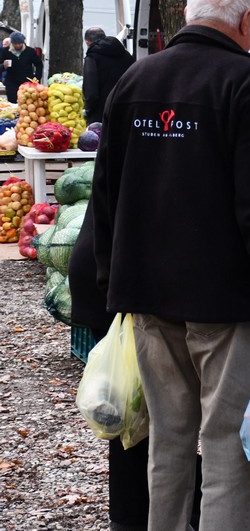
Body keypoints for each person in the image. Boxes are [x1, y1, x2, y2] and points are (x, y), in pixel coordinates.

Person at [91, 0, 250, 531]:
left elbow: (106, 194)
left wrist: (111, 279)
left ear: (186, 16)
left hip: (147, 297)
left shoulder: (134, 83)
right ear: (246, 21)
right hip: (227, 303)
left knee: (167, 440)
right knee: (231, 445)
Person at [69, 203, 203, 531]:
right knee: (143, 405)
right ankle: (147, 513)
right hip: (124, 274)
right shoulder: (167, 151)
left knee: (131, 404)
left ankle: (133, 514)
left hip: (108, 267)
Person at [82, 26, 135, 125]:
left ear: (88, 42)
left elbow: (91, 92)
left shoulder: (92, 58)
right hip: (125, 111)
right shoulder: (126, 56)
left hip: (100, 115)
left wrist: (88, 110)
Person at [0, 31, 43, 103]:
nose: (17, 45)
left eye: (19, 43)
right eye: (15, 44)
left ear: (23, 42)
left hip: (27, 82)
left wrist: (37, 77)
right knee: (12, 102)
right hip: (11, 83)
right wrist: (3, 66)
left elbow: (39, 64)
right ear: (12, 43)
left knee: (27, 103)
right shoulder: (5, 51)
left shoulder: (30, 51)